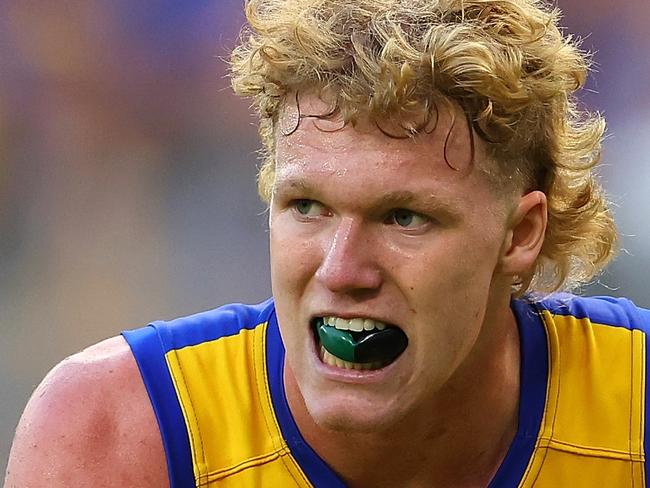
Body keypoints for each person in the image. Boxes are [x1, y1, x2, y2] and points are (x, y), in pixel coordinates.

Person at [6, 0, 650, 486]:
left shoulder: (634, 403)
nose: (342, 270)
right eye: (306, 207)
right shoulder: (114, 435)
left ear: (521, 234)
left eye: (404, 217)